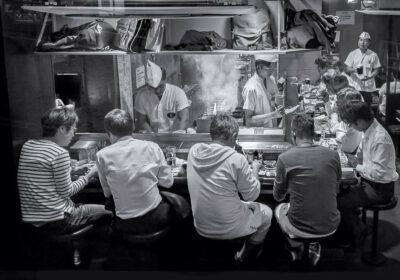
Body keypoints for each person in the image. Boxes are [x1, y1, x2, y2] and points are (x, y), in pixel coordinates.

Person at [187, 113, 273, 262]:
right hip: (230, 227)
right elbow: (252, 195)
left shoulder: (194, 151)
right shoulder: (236, 159)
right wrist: (255, 169)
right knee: (267, 213)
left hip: (201, 226)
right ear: (234, 136)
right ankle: (245, 255)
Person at [17, 106, 111, 235]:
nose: (73, 134)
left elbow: (45, 173)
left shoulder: (28, 145)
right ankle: (96, 254)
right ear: (62, 129)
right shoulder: (59, 153)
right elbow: (67, 192)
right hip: (59, 220)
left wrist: (72, 170)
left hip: (34, 221)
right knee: (110, 212)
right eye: (73, 129)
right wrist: (90, 174)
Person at [96, 108, 190, 235]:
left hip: (124, 224)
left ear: (110, 133)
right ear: (132, 127)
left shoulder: (102, 155)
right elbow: (167, 182)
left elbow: (107, 193)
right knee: (180, 206)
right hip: (155, 219)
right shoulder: (151, 147)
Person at [273, 113, 341, 266]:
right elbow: (335, 189)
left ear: (293, 134)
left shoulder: (284, 158)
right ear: (313, 134)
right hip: (331, 226)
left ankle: (296, 247)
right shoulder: (333, 155)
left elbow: (278, 196)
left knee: (278, 208)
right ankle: (314, 245)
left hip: (299, 226)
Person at [338, 101, 398, 247]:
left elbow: (378, 173)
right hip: (369, 181)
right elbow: (361, 153)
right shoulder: (369, 129)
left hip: (380, 189)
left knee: (339, 203)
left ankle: (357, 234)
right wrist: (350, 160)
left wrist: (357, 166)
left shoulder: (380, 138)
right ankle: (356, 224)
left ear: (359, 121)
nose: (351, 127)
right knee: (340, 192)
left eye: (351, 124)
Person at [134, 60, 190, 133]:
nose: (157, 90)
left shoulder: (178, 93)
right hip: (153, 135)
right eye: (153, 88)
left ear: (165, 80)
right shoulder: (141, 95)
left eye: (160, 86)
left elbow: (184, 118)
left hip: (175, 134)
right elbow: (142, 121)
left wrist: (178, 135)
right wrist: (152, 136)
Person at [242, 54, 280, 128]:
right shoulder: (251, 88)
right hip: (257, 134)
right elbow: (249, 120)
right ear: (259, 67)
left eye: (273, 69)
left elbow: (273, 102)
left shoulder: (271, 80)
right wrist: (273, 115)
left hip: (272, 129)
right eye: (269, 70)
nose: (271, 72)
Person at [344, 32, 381, 106]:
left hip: (368, 87)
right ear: (358, 41)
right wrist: (355, 70)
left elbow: (377, 70)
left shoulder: (373, 55)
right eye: (360, 40)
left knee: (366, 106)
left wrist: (369, 76)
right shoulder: (353, 53)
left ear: (369, 43)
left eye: (365, 41)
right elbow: (347, 69)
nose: (362, 43)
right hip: (355, 86)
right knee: (355, 106)